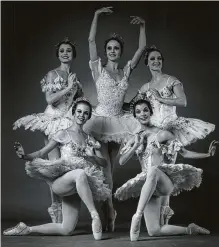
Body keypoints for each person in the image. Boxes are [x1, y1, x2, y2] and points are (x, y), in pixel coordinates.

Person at [123, 45, 215, 224]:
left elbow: (183, 101)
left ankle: (164, 218)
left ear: (162, 61)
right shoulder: (145, 87)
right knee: (151, 167)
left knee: (169, 167)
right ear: (147, 63)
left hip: (169, 126)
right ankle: (153, 217)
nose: (156, 61)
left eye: (159, 58)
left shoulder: (171, 80)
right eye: (152, 59)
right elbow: (132, 106)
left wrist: (162, 99)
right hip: (153, 129)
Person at [3, 98, 111, 240]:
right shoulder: (63, 133)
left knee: (66, 229)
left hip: (77, 186)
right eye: (79, 111)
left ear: (89, 117)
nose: (81, 115)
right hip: (61, 183)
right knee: (80, 173)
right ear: (73, 113)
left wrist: (91, 157)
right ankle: (94, 215)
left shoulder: (90, 139)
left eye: (86, 113)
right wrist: (24, 156)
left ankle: (26, 229)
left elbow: (103, 163)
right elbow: (42, 153)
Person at [115, 99, 217, 241]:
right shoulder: (134, 138)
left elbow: (185, 153)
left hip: (164, 182)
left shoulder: (163, 134)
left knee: (153, 170)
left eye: (145, 110)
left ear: (151, 112)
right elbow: (121, 161)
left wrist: (207, 154)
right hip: (149, 186)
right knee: (154, 231)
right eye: (138, 112)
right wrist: (136, 145)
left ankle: (136, 216)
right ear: (135, 116)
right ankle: (191, 229)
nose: (142, 114)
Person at [83, 6, 146, 232]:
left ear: (120, 52)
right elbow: (90, 41)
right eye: (109, 48)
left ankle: (109, 209)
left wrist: (142, 26)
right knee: (105, 169)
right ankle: (109, 208)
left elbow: (141, 49)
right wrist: (96, 15)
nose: (112, 51)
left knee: (112, 170)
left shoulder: (126, 71)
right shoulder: (98, 69)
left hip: (120, 122)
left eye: (116, 48)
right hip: (100, 121)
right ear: (106, 51)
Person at [13, 37, 83, 223]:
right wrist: (69, 87)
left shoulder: (74, 77)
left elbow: (78, 103)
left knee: (65, 165)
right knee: (54, 166)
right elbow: (50, 100)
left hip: (68, 122)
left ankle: (65, 212)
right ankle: (56, 209)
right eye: (62, 51)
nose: (65, 53)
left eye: (68, 50)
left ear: (73, 54)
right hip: (52, 120)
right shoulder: (53, 74)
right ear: (58, 55)